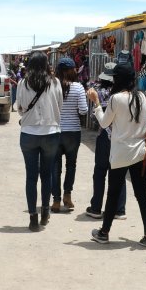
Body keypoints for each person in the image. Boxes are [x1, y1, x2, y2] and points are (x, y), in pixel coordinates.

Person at [86, 63, 146, 247]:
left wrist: (96, 103)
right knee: (142, 194)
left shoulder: (116, 99)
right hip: (139, 152)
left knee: (113, 194)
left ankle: (104, 233)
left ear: (117, 79)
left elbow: (103, 123)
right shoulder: (141, 96)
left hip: (120, 153)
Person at [14, 51, 62, 232]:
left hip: (28, 134)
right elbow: (60, 106)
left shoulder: (22, 83)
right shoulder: (55, 82)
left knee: (31, 176)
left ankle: (33, 217)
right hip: (51, 132)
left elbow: (19, 108)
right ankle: (45, 213)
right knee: (47, 174)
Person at [85, 63, 127, 219]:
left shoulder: (99, 93)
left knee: (100, 172)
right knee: (119, 172)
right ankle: (120, 209)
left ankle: (96, 207)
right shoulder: (124, 95)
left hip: (104, 136)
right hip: (120, 136)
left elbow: (93, 116)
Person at [52, 56, 88, 213]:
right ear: (71, 70)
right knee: (71, 165)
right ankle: (67, 195)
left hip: (55, 131)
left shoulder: (52, 86)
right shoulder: (78, 87)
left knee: (55, 167)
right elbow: (84, 110)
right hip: (73, 132)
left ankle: (56, 201)